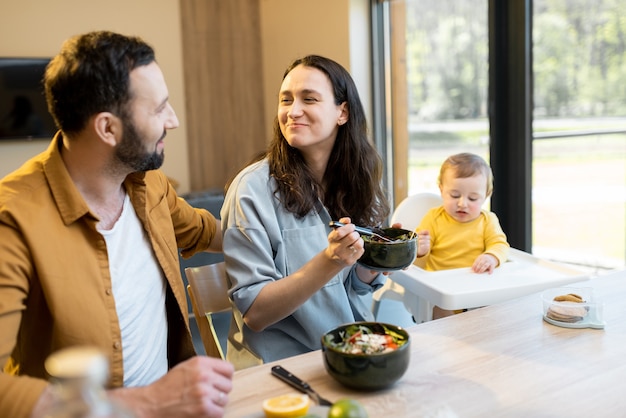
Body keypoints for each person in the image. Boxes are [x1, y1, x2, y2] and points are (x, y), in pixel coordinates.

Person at [0, 31, 233, 418]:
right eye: (159, 109)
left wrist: (290, 233)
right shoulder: (13, 220)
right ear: (107, 129)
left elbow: (205, 232)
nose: (172, 120)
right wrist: (147, 402)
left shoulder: (149, 183)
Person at [220, 55, 391, 368]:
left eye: (308, 99)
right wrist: (330, 260)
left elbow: (349, 288)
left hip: (351, 352)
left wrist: (376, 260)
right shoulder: (251, 190)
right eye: (286, 100)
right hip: (281, 369)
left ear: (343, 112)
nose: (292, 111)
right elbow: (256, 312)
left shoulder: (354, 181)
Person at [414, 152, 510, 318]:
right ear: (441, 189)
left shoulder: (487, 220)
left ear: (486, 195)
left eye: (473, 198)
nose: (462, 203)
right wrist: (420, 248)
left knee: (492, 311)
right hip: (441, 287)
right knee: (441, 311)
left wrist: (491, 257)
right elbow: (414, 253)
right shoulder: (434, 218)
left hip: (476, 286)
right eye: (455, 195)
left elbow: (500, 244)